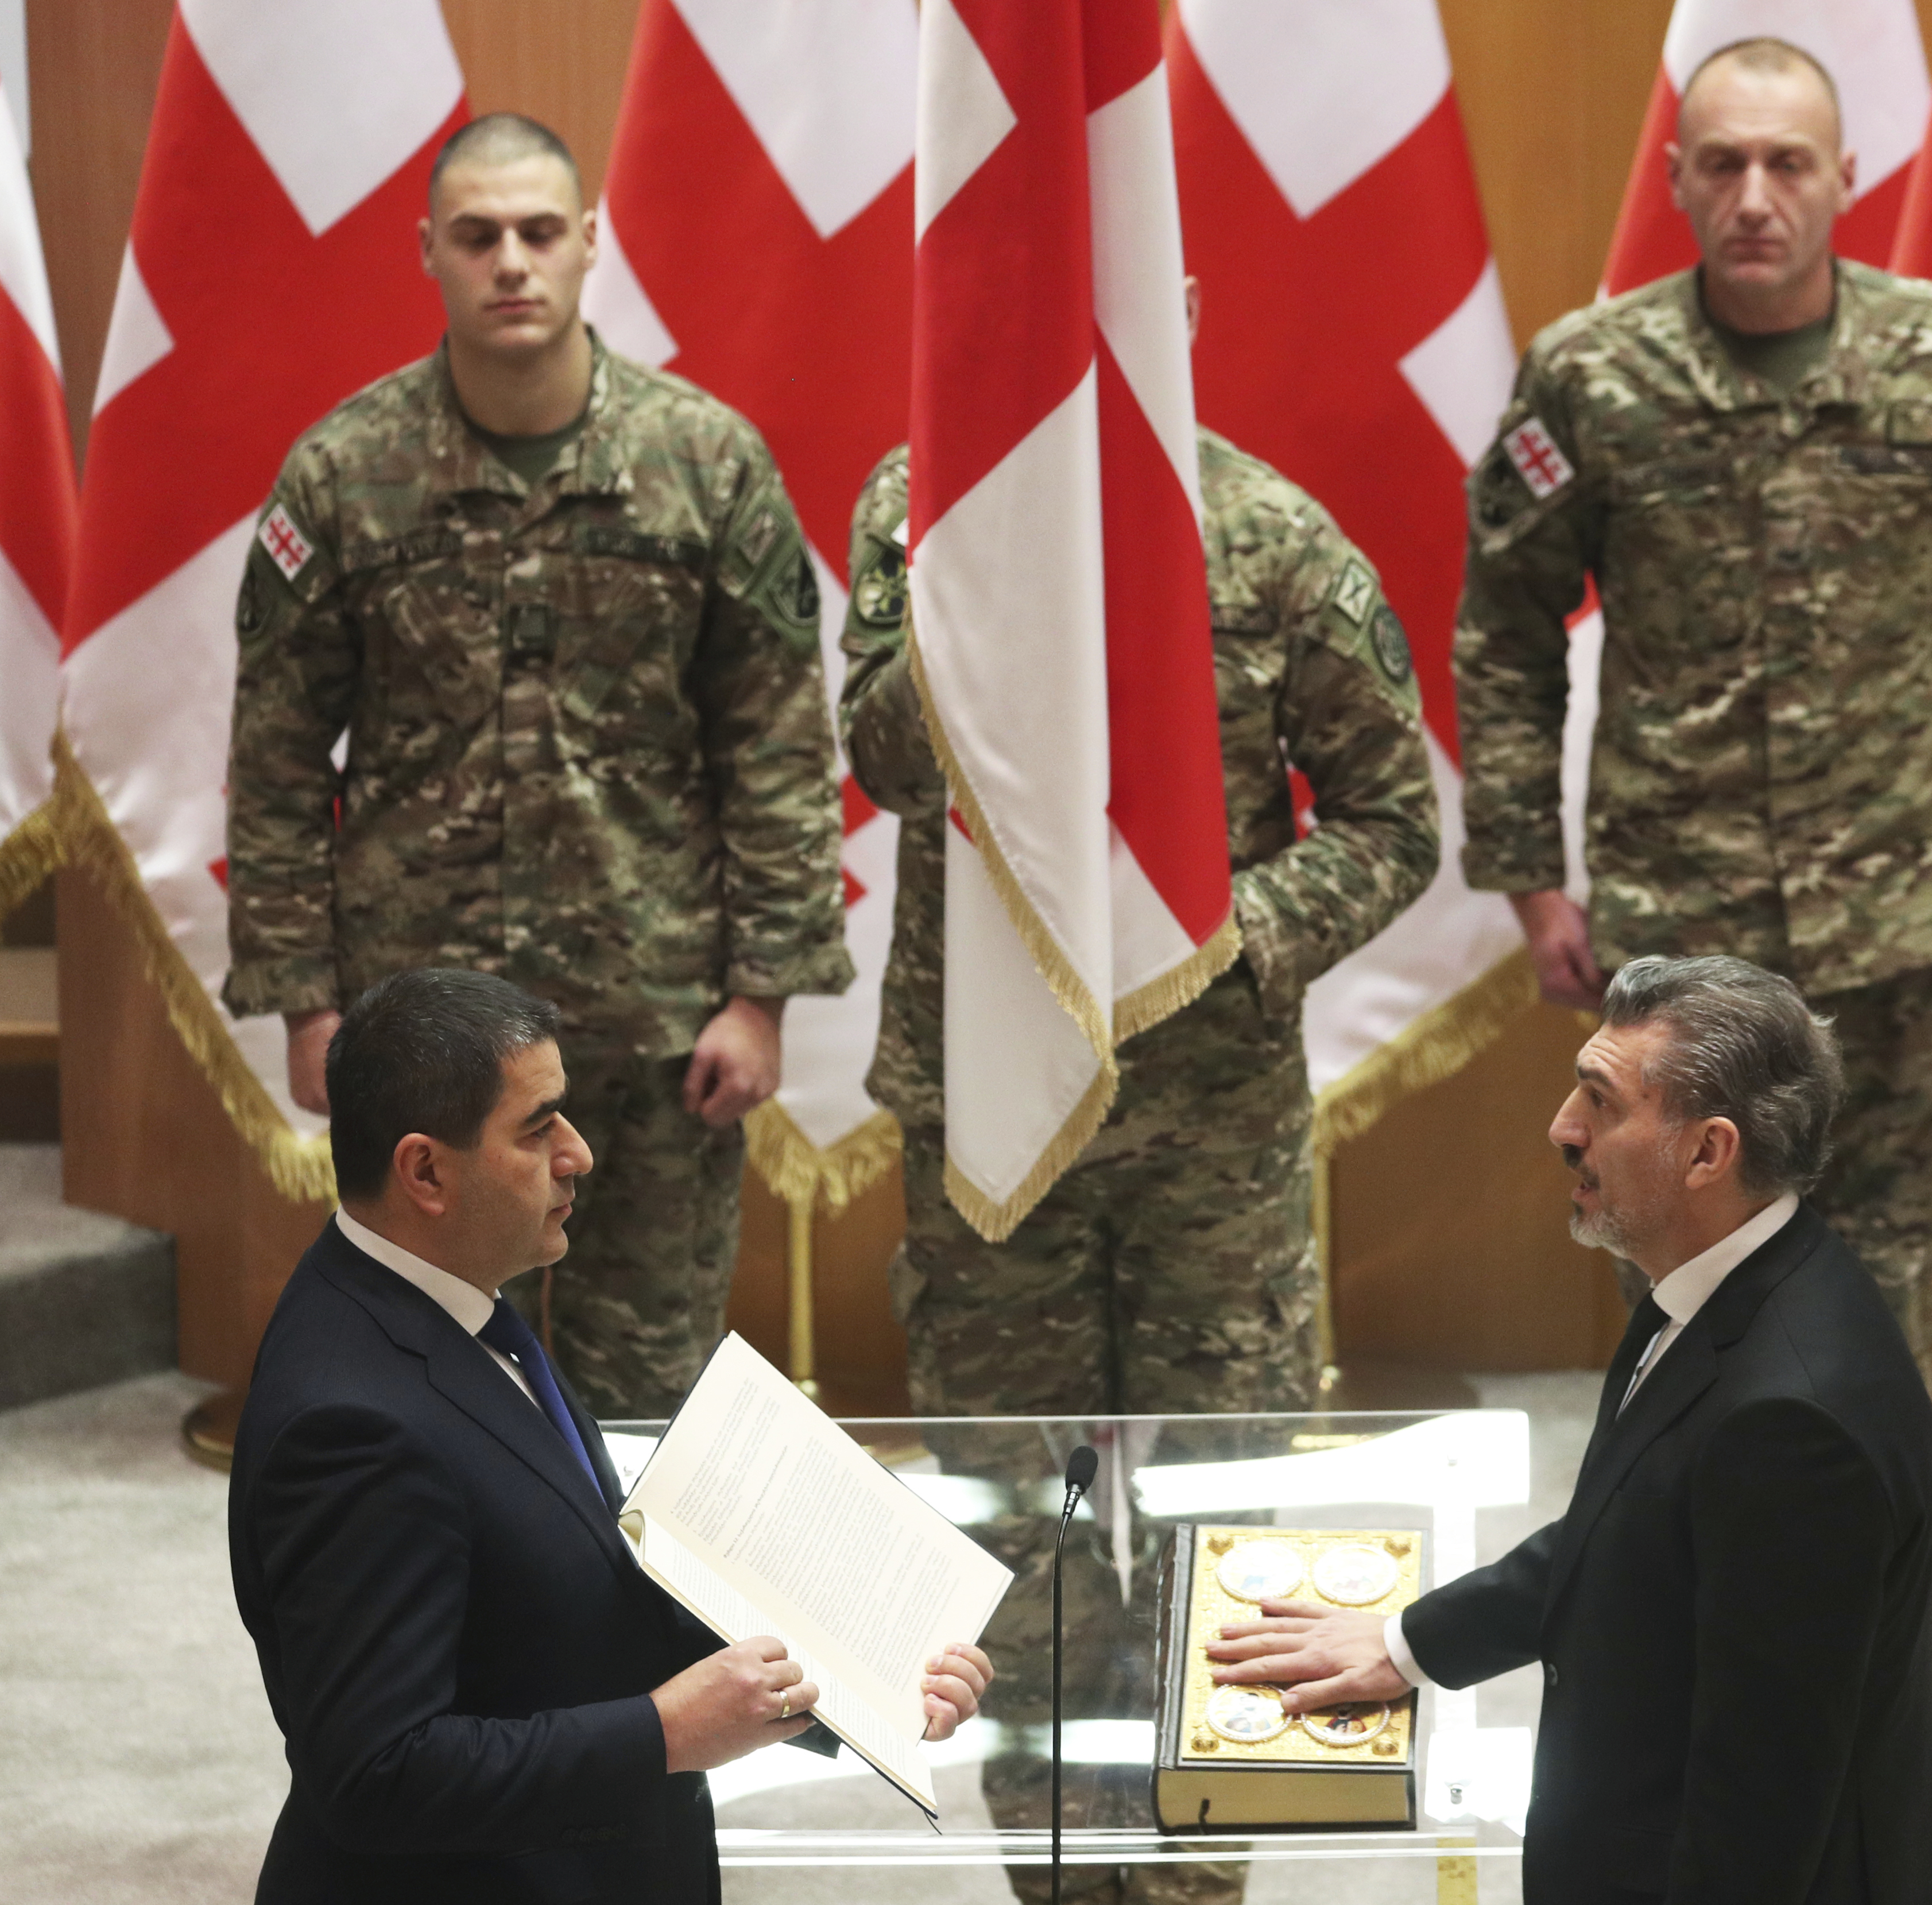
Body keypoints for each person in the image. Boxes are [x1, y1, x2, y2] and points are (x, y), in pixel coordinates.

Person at [838, 288, 1441, 1905]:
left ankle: (1203, 1886)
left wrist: (1231, 935)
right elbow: (886, 755)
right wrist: (999, 579)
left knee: (1227, 1519)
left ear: (1185, 309)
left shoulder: (1272, 539)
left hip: (1211, 1129)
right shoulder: (921, 509)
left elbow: (1396, 817)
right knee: (1017, 1527)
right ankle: (1054, 1874)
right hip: (993, 1113)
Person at [1452, 37, 1932, 1388]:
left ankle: (1862, 1594)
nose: (1758, 195)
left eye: (1788, 163)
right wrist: (1531, 886)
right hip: (1675, 946)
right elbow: (1507, 633)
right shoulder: (1590, 375)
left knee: (1880, 1306)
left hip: (1889, 928)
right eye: (1726, 164)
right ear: (1678, 181)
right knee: (1678, 1304)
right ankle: (1684, 1591)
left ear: (1844, 180)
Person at [222, 113, 849, 1419]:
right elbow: (277, 757)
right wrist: (304, 1001)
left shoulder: (707, 465)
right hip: (419, 1039)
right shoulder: (345, 475)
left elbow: (779, 747)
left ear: (588, 245)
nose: (512, 261)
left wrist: (762, 997)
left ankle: (656, 1633)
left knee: (648, 1400)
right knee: (423, 1381)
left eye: (539, 232)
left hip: (656, 1024)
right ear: (430, 255)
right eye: (479, 236)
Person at [228, 966, 990, 1904]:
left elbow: (575, 1591)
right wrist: (666, 1731)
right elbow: (377, 1772)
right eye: (538, 1126)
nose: (579, 1153)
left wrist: (858, 1677)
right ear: (425, 1170)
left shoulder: (442, 1298)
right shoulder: (351, 1426)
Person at [1209, 954, 1932, 1905]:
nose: (1562, 1127)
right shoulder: (1724, 1282)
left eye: (1600, 1103)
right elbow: (1638, 1531)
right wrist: (1407, 1643)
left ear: (1705, 1153)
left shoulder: (1790, 1425)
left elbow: (1759, 1817)